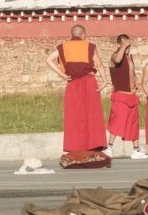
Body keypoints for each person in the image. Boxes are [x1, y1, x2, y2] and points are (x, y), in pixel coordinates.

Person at [46, 24, 107, 153]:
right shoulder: (88, 46)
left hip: (72, 83)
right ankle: (94, 146)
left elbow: (49, 60)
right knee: (92, 115)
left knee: (74, 116)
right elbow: (99, 64)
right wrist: (105, 80)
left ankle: (74, 147)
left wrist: (63, 75)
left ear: (72, 35)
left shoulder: (63, 47)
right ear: (83, 35)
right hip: (89, 83)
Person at [106, 34, 147, 159]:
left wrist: (135, 83)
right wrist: (123, 46)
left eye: (129, 45)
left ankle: (136, 149)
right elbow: (118, 60)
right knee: (117, 122)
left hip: (131, 95)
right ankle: (109, 148)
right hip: (120, 95)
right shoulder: (114, 56)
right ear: (119, 44)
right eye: (124, 44)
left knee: (133, 124)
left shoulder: (130, 57)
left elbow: (131, 73)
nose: (127, 47)